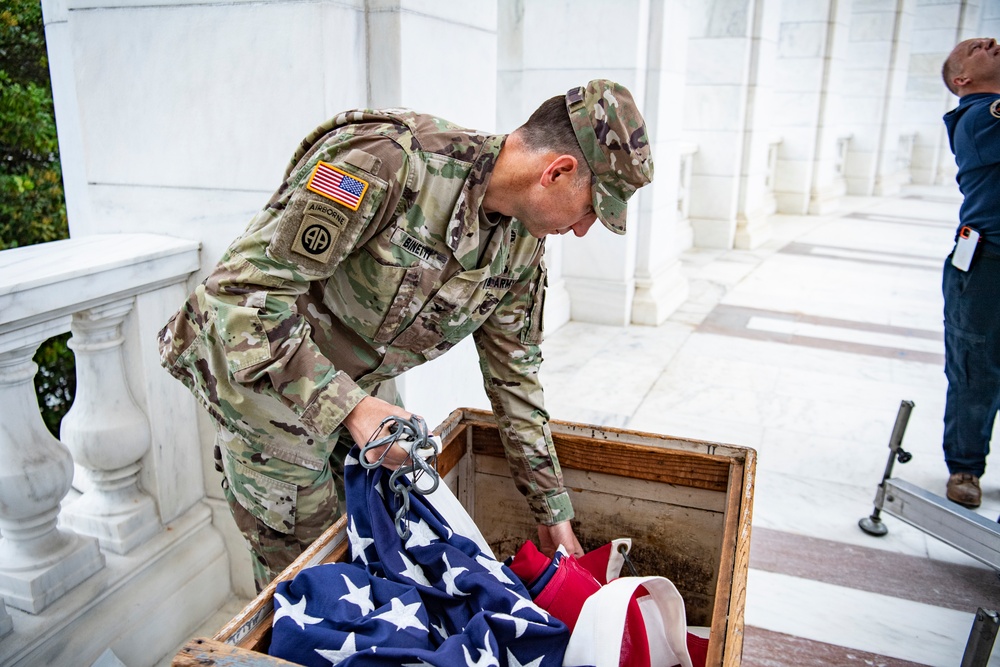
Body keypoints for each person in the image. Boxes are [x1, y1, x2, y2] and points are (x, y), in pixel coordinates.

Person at [158, 79, 654, 590]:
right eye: (593, 208)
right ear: (558, 171)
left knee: (376, 561)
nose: (582, 229)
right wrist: (351, 408)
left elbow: (516, 380)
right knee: (315, 588)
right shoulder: (386, 160)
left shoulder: (522, 246)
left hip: (364, 401)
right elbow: (239, 294)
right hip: (271, 395)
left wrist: (551, 511)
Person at [938, 38, 1000, 509]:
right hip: (987, 264)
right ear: (963, 80)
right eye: (980, 47)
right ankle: (964, 466)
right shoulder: (980, 116)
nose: (994, 43)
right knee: (974, 368)